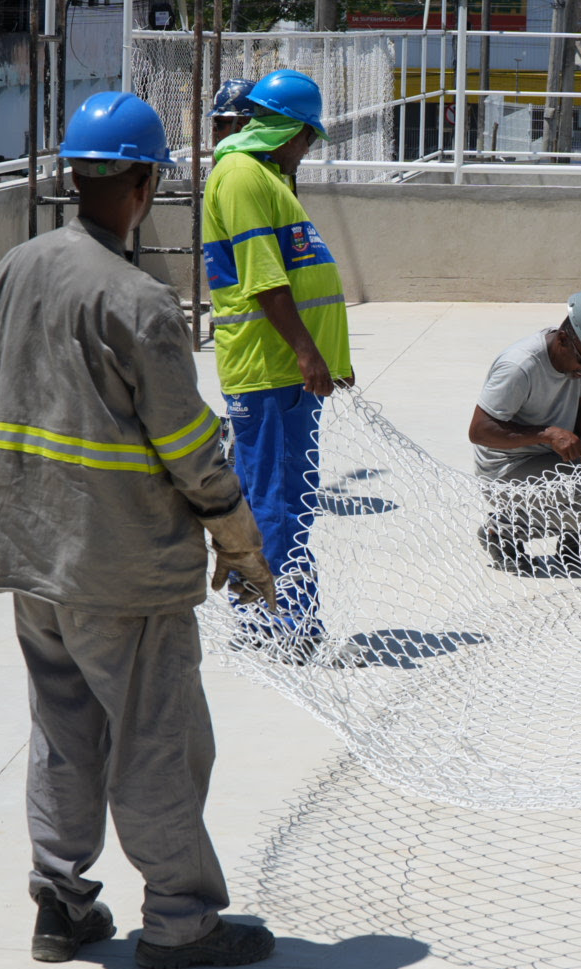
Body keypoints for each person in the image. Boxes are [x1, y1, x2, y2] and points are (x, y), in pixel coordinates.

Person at [0, 91, 278, 969]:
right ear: (146, 182)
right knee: (157, 740)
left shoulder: (21, 265)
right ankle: (178, 921)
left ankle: (61, 904)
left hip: (30, 557)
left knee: (63, 732)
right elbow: (192, 450)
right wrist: (239, 540)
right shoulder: (140, 301)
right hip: (123, 571)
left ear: (74, 175)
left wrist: (37, 389)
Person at [201, 68, 357, 664]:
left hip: (289, 374)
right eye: (308, 137)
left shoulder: (265, 176)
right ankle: (273, 625)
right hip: (269, 371)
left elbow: (303, 277)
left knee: (289, 499)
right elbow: (265, 280)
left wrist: (327, 358)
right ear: (288, 128)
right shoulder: (241, 175)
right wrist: (307, 352)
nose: (308, 149)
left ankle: (286, 619)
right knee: (272, 502)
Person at [468, 286, 581, 576]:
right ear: (564, 339)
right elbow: (480, 430)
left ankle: (579, 543)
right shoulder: (520, 366)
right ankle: (501, 531)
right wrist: (547, 434)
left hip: (554, 456)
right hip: (509, 470)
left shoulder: (579, 357)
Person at [209, 78, 257, 147]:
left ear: (237, 129)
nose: (214, 130)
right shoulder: (271, 151)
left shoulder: (232, 157)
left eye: (219, 125)